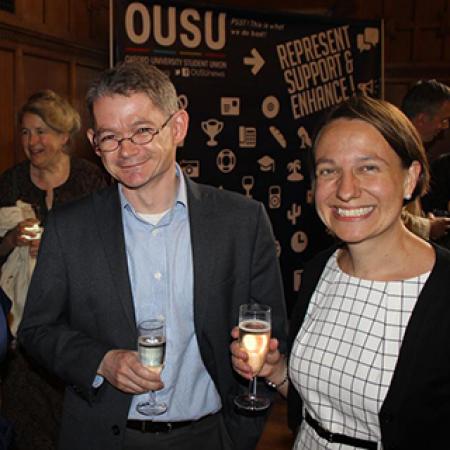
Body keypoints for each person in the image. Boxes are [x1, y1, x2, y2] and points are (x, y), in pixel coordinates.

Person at [17, 61, 287, 450]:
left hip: (210, 436)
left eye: (142, 130)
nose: (126, 150)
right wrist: (101, 361)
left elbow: (270, 331)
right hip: (105, 436)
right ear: (94, 141)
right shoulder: (69, 227)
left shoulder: (241, 222)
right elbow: (36, 331)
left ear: (177, 127)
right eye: (110, 136)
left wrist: (239, 432)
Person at [232, 95, 450, 449]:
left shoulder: (442, 292)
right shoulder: (321, 269)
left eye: (368, 167)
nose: (346, 191)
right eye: (328, 171)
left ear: (410, 178)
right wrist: (276, 371)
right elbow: (320, 405)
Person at [0, 89, 108, 450]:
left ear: (64, 137)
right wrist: (11, 240)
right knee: (26, 423)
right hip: (23, 327)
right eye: (26, 132)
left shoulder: (90, 181)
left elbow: (108, 248)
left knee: (74, 424)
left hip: (78, 322)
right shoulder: (10, 182)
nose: (32, 141)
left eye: (42, 131)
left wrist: (57, 249)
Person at [400, 79, 450, 241]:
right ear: (421, 119)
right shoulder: (398, 152)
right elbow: (386, 214)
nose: (445, 127)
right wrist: (427, 227)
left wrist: (425, 220)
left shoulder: (411, 148)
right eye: (442, 120)